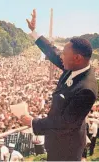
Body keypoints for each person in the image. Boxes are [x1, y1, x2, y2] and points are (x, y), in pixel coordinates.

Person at [21, 9, 98, 161]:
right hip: (58, 141)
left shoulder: (86, 90)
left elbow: (64, 123)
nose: (60, 56)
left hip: (67, 148)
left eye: (64, 54)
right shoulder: (76, 66)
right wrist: (34, 31)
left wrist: (33, 122)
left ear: (77, 58)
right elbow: (52, 52)